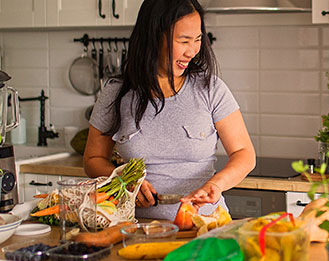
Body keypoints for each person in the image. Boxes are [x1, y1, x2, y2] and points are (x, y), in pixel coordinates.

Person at [84, 0, 255, 220]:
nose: (192, 51)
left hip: (204, 225)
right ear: (154, 38)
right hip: (137, 228)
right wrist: (122, 179)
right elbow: (93, 158)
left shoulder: (211, 89)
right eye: (183, 41)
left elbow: (244, 154)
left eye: (198, 40)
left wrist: (216, 184)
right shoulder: (116, 93)